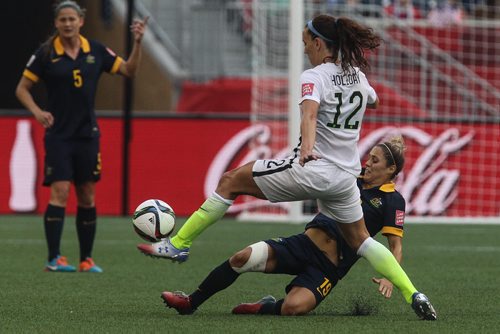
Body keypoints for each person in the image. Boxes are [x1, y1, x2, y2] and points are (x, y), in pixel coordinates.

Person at [137, 14, 435, 316]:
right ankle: (414, 294)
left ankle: (178, 243)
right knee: (362, 241)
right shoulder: (358, 76)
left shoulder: (314, 76)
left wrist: (307, 147)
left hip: (315, 170)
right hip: (346, 179)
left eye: (307, 43)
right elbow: (373, 101)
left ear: (319, 43)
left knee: (230, 181)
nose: (306, 49)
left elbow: (308, 115)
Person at [160, 137, 436, 320]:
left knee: (293, 308)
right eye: (369, 157)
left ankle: (264, 306)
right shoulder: (347, 179)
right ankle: (191, 301)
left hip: (328, 269)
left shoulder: (392, 200)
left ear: (391, 171)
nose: (368, 163)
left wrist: (391, 278)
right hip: (302, 245)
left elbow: (395, 246)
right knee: (240, 258)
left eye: (376, 161)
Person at [15, 0, 148, 273]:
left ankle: (87, 259)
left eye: (71, 19)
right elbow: (22, 89)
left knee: (87, 195)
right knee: (60, 191)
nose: (67, 24)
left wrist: (137, 42)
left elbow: (129, 71)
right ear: (56, 23)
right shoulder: (46, 53)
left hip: (87, 135)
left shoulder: (96, 51)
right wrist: (38, 112)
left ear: (81, 21)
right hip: (59, 135)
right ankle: (54, 258)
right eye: (62, 19)